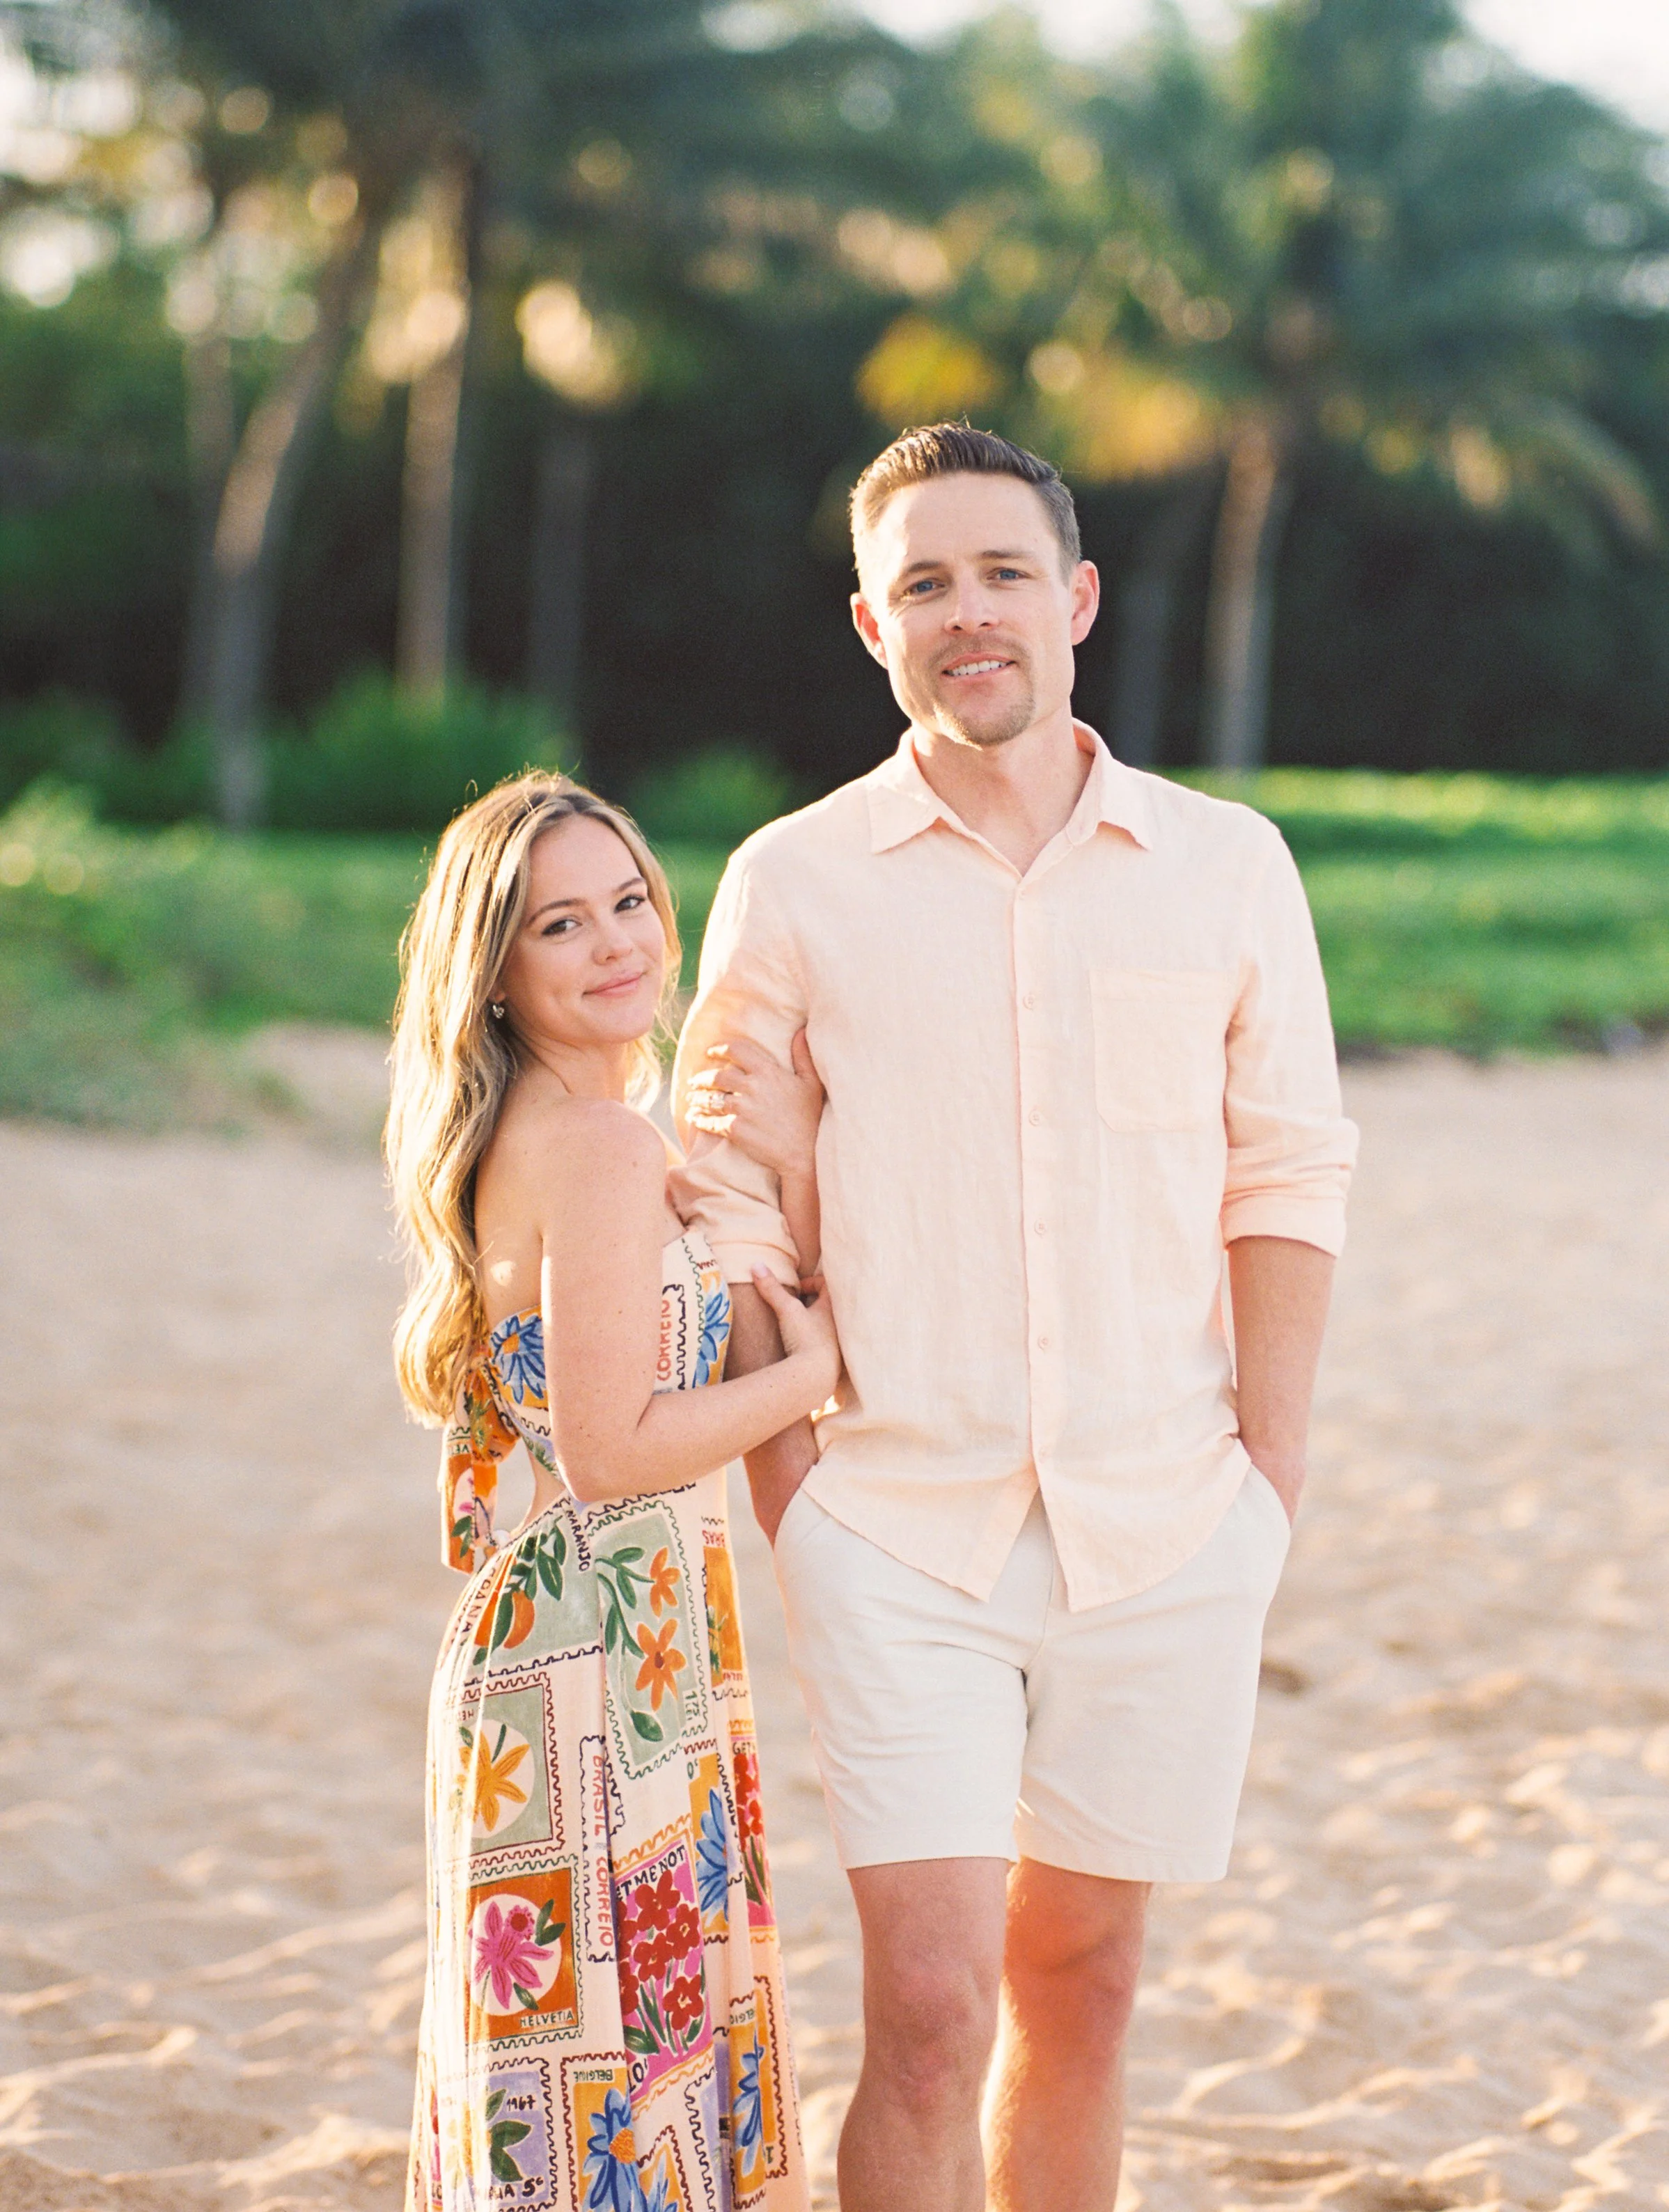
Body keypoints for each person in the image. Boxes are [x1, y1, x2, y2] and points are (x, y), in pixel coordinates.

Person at [673, 423, 1358, 2212]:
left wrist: (1265, 1471)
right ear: (867, 623)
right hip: (894, 1524)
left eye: (997, 573)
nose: (964, 612)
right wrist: (791, 1474)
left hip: (1172, 1516)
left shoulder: (1228, 866)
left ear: (1077, 598)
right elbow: (723, 1182)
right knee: (924, 2005)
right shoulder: (792, 881)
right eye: (921, 583)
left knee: (1088, 1985)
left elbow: (1285, 1173)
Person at [386, 772, 836, 2212]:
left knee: (585, 2088)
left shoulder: (566, 1131)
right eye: (560, 925)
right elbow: (612, 1447)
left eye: (629, 900)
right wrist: (817, 1370)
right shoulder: (593, 1144)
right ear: (499, 976)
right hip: (593, 1666)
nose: (617, 942)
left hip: (591, 1653)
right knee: (611, 2090)